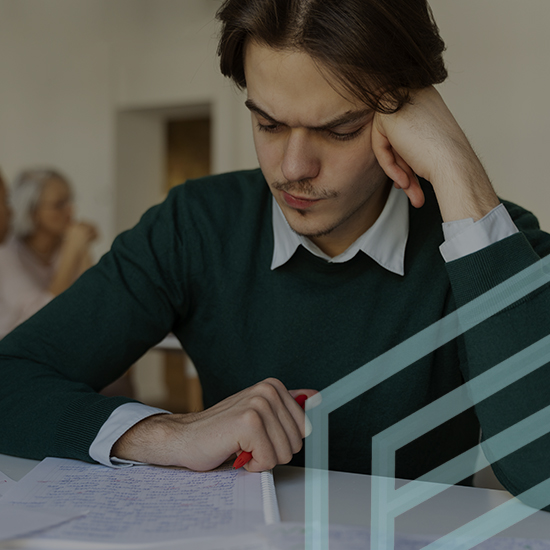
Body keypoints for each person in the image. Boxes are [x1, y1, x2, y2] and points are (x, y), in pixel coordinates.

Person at [1, 0, 549, 507]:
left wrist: (458, 170)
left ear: (405, 116)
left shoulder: (495, 242)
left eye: (339, 130)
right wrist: (166, 433)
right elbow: (11, 381)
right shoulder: (197, 224)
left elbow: (541, 473)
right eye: (267, 123)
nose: (292, 168)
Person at [0, 169, 98, 338]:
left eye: (70, 201)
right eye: (59, 204)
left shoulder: (66, 247)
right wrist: (72, 251)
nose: (71, 211)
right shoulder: (6, 252)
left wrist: (82, 251)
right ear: (32, 211)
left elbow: (96, 305)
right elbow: (41, 317)